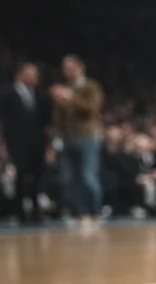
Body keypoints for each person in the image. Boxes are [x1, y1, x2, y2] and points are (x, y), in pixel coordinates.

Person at [51, 55, 104, 224]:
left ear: (80, 68)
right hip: (67, 137)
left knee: (88, 176)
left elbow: (91, 109)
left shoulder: (91, 87)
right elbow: (59, 116)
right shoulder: (64, 88)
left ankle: (95, 210)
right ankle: (79, 212)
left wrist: (69, 97)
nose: (67, 71)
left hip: (86, 136)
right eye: (65, 68)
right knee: (71, 177)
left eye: (71, 67)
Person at [0, 62, 51, 224]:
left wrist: (49, 144)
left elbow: (47, 122)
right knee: (21, 176)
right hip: (15, 142)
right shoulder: (6, 93)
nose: (35, 77)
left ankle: (36, 210)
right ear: (20, 74)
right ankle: (20, 211)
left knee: (38, 176)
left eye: (36, 74)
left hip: (38, 141)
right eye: (31, 73)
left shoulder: (41, 94)